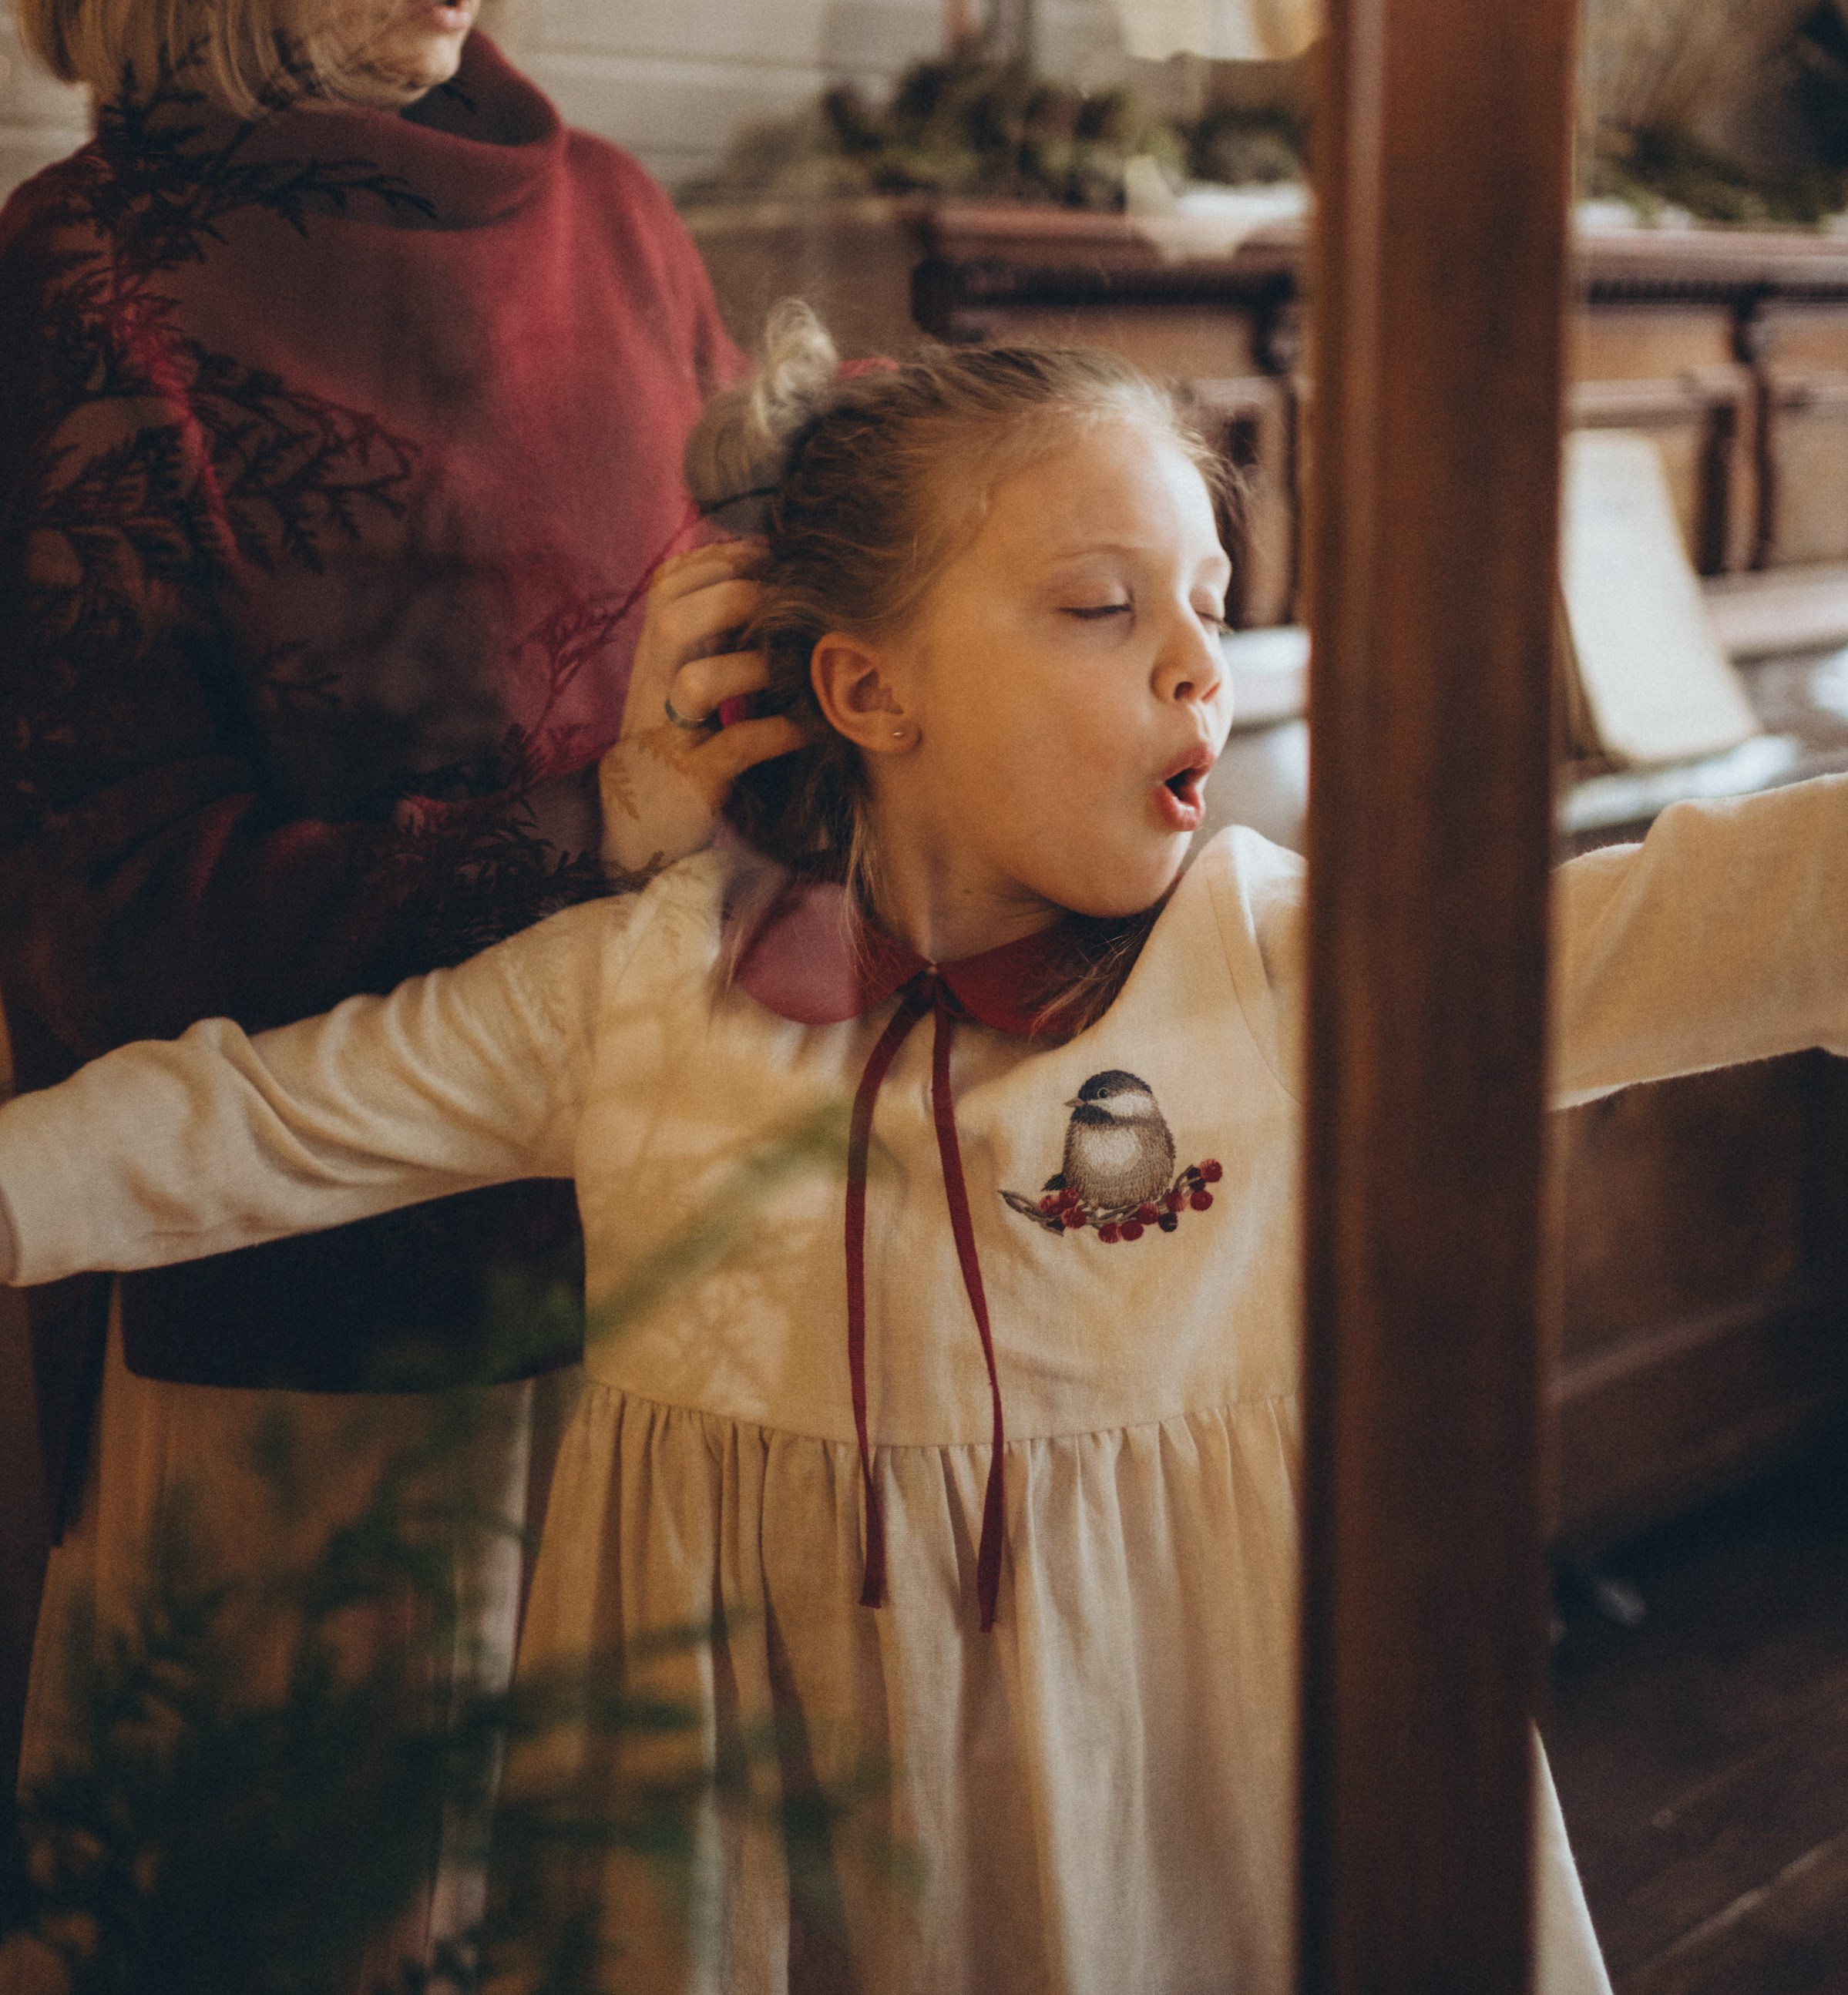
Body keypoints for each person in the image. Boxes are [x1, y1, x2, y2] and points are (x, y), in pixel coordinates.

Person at [3, 307, 1846, 1994]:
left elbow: (1684, 920)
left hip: (1189, 1764)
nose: (1200, 661)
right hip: (752, 1806)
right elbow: (252, 1117)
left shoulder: (1277, 957)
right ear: (872, 694)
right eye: (1101, 604)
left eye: (1208, 600)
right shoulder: (640, 989)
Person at [0, 0, 798, 1949]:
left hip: (687, 1291)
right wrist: (596, 819)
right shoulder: (83, 292)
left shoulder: (624, 215)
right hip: (305, 1358)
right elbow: (102, 932)